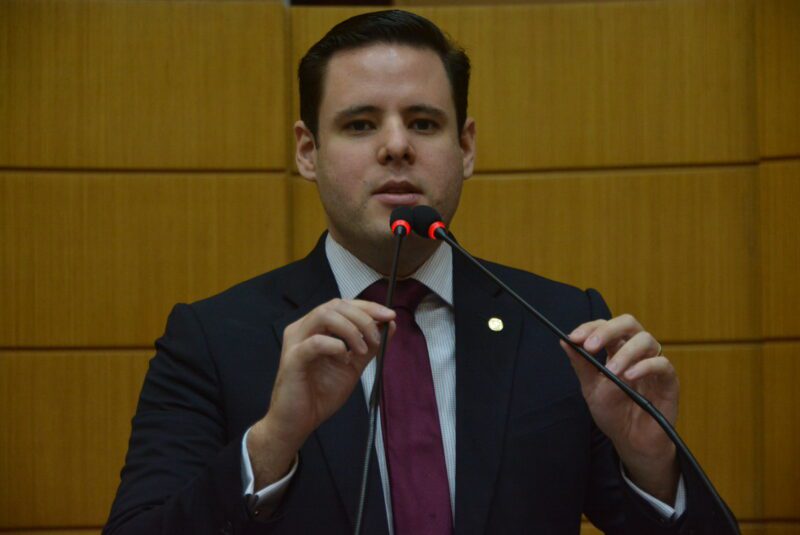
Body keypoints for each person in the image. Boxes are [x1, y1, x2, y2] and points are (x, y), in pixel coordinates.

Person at [105, 10, 734, 535]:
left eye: (424, 123)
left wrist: (653, 467)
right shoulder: (213, 340)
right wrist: (272, 445)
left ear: (466, 148)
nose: (397, 146)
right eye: (360, 124)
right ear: (307, 151)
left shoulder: (562, 328)